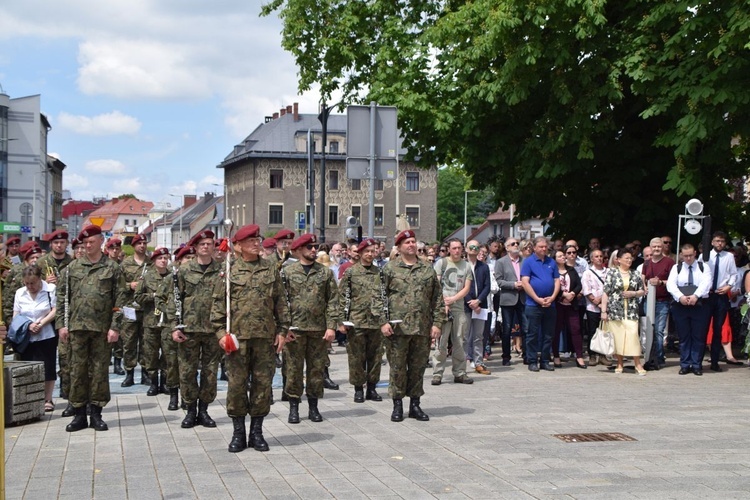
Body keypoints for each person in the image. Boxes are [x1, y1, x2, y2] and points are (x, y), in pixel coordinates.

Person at [211, 224, 288, 452]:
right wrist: (220, 335)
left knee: (263, 385)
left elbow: (281, 303)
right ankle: (238, 433)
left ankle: (257, 432)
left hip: (264, 338)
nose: (256, 243)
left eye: (258, 239)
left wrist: (283, 331)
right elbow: (217, 308)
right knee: (236, 386)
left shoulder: (270, 269)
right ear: (239, 246)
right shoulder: (229, 271)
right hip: (237, 339)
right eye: (251, 241)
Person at [56, 225, 126, 431]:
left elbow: (120, 300)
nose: (87, 246)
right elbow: (61, 299)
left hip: (102, 329)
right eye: (84, 243)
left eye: (91, 242)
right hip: (76, 328)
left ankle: (96, 413)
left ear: (100, 242)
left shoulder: (112, 268)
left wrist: (116, 327)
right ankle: (78, 414)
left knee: (99, 372)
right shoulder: (72, 268)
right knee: (76, 371)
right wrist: (61, 325)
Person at [381, 230, 445, 421]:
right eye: (407, 242)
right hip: (397, 329)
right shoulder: (389, 269)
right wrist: (382, 322)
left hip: (421, 327)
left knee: (418, 368)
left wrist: (437, 323)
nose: (411, 245)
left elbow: (437, 299)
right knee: (398, 368)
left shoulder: (427, 269)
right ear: (399, 247)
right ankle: (397, 405)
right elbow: (379, 298)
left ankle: (415, 405)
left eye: (413, 242)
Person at [282, 233, 339, 423]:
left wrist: (331, 327)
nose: (313, 250)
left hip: (318, 330)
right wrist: (283, 328)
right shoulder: (287, 272)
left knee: (316, 370)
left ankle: (314, 407)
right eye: (309, 247)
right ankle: (294, 407)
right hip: (295, 330)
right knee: (293, 370)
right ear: (298, 250)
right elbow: (281, 302)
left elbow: (333, 301)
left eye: (315, 246)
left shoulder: (325, 273)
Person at [170, 229, 224, 429]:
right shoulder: (184, 271)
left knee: (210, 372)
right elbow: (174, 301)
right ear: (195, 247)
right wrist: (175, 327)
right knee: (187, 371)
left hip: (213, 330)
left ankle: (204, 410)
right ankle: (190, 410)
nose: (206, 247)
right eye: (202, 244)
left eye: (209, 243)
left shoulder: (221, 271)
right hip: (189, 329)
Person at [338, 238, 386, 403]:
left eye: (373, 251)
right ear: (360, 253)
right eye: (367, 251)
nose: (370, 254)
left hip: (376, 321)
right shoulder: (351, 272)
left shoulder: (379, 272)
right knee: (356, 357)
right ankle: (359, 389)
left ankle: (372, 388)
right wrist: (341, 321)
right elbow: (342, 296)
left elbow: (384, 296)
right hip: (356, 320)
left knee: (376, 356)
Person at [13, 265, 58, 411]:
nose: (30, 286)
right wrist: (28, 325)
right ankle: (30, 399)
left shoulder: (50, 289)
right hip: (27, 335)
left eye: (33, 283)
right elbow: (16, 314)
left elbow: (55, 310)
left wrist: (41, 323)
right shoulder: (20, 293)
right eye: (27, 283)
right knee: (28, 367)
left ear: (39, 279)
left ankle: (48, 398)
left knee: (48, 366)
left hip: (46, 334)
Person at [431, 238, 473, 385]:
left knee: (459, 341)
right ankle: (437, 373)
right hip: (443, 307)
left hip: (459, 307)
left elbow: (467, 288)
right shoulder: (441, 263)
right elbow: (436, 285)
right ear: (449, 249)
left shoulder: (466, 266)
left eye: (459, 248)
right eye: (454, 248)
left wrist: (453, 298)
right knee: (441, 342)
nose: (456, 251)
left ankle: (460, 372)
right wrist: (445, 301)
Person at [134, 247, 174, 400]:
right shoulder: (147, 277)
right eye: (160, 258)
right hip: (151, 320)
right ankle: (153, 381)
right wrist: (154, 296)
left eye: (165, 258)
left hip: (167, 321)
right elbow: (138, 296)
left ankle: (164, 381)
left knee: (167, 352)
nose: (163, 261)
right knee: (150, 353)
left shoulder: (172, 276)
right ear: (154, 261)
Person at [666, 243, 712, 375]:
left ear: (695, 253)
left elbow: (706, 283)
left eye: (690, 255)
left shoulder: (703, 267)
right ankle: (685, 364)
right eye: (685, 256)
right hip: (681, 306)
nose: (688, 258)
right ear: (681, 255)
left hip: (699, 305)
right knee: (684, 336)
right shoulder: (677, 268)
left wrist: (696, 296)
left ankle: (697, 364)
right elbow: (671, 284)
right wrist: (680, 296)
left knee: (698, 336)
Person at [600, 248, 647, 375]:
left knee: (633, 336)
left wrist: (634, 293)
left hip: (631, 310)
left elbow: (643, 290)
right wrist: (604, 311)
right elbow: (606, 292)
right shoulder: (612, 273)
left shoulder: (635, 273)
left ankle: (637, 363)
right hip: (615, 310)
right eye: (626, 258)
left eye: (630, 258)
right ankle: (619, 363)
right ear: (619, 260)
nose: (629, 260)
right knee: (618, 338)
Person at [521, 237, 560, 372]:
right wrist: (537, 299)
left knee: (548, 334)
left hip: (550, 304)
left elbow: (557, 281)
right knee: (532, 334)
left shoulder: (552, 262)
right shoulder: (528, 262)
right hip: (533, 304)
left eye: (545, 246)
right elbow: (525, 282)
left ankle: (545, 360)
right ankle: (532, 361)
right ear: (534, 248)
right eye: (541, 247)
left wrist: (553, 297)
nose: (544, 249)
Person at [120, 234, 152, 387]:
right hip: (130, 307)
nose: (142, 246)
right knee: (129, 342)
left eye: (145, 243)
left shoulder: (151, 263)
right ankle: (129, 373)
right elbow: (118, 285)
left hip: (146, 309)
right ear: (133, 246)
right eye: (139, 243)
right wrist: (129, 285)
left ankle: (146, 373)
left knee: (146, 342)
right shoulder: (125, 263)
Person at [705, 231, 738, 372]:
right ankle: (698, 360)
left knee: (718, 328)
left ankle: (715, 361)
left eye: (722, 241)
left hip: (721, 294)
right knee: (703, 327)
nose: (720, 243)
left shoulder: (729, 256)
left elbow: (733, 274)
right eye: (717, 241)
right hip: (707, 295)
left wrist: (728, 286)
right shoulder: (705, 256)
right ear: (712, 242)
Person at [641, 237, 675, 368]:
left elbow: (673, 282)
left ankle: (659, 358)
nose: (656, 249)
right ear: (650, 247)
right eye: (654, 247)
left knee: (659, 331)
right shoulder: (647, 263)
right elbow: (643, 278)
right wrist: (644, 286)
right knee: (648, 329)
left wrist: (660, 282)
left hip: (663, 301)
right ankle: (648, 356)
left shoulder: (669, 262)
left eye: (659, 246)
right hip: (648, 301)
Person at [495, 237, 527, 366]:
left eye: (517, 243)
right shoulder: (501, 262)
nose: (516, 245)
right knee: (507, 329)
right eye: (513, 244)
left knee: (526, 328)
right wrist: (514, 284)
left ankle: (526, 355)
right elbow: (499, 281)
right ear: (507, 247)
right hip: (508, 299)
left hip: (523, 298)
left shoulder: (525, 261)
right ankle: (506, 357)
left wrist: (524, 284)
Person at [553, 248, 585, 368]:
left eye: (563, 255)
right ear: (555, 259)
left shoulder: (571, 270)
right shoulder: (553, 271)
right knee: (556, 331)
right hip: (558, 305)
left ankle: (579, 356)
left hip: (571, 304)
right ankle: (556, 356)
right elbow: (551, 285)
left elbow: (578, 284)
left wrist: (572, 294)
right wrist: (562, 295)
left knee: (576, 330)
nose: (563, 257)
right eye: (560, 256)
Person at [463, 240, 491, 375]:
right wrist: (470, 302)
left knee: (478, 336)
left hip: (481, 306)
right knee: (464, 335)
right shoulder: (462, 266)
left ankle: (479, 362)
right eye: (471, 247)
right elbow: (462, 287)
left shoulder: (484, 267)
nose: (474, 249)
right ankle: (463, 364)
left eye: (476, 247)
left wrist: (478, 301)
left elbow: (487, 286)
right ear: (466, 249)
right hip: (465, 306)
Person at [581, 250, 611, 366]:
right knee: (592, 331)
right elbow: (587, 291)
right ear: (592, 259)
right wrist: (597, 301)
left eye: (601, 256)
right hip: (592, 307)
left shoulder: (608, 272)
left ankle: (603, 355)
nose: (599, 258)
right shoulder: (587, 273)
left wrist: (603, 302)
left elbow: (610, 288)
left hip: (606, 307)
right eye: (596, 256)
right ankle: (592, 355)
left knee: (605, 331)